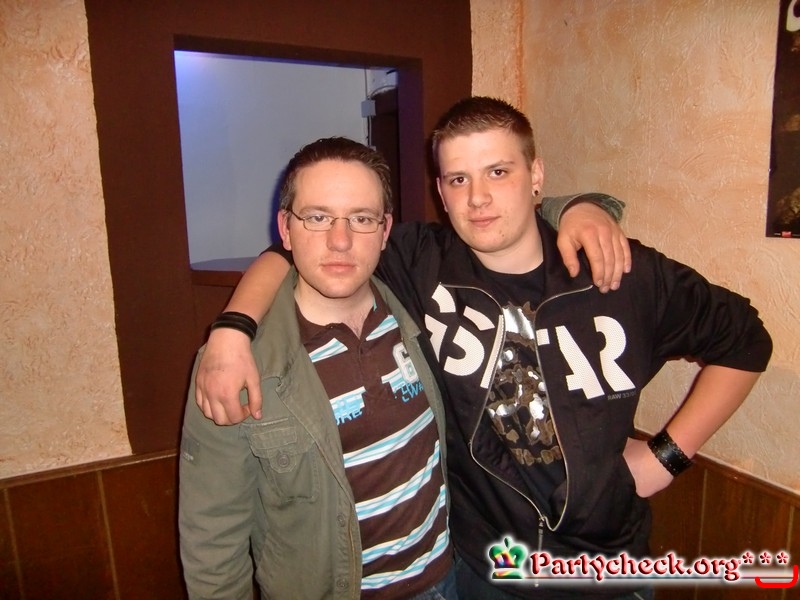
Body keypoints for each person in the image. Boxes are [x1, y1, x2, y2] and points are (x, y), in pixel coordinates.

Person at [193, 96, 773, 599]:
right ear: (440, 193)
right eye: (458, 179)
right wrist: (233, 327)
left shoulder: (619, 272)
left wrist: (667, 457)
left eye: (499, 171)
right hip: (481, 569)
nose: (478, 199)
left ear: (536, 175)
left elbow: (746, 341)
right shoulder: (418, 261)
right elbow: (299, 249)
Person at [179, 137, 456, 599]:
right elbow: (212, 537)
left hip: (447, 579)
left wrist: (575, 209)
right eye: (317, 217)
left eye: (361, 218)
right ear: (285, 230)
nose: (340, 240)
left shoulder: (420, 309)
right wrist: (231, 328)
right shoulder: (235, 366)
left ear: (385, 230)